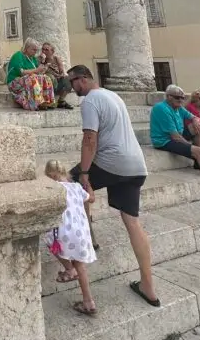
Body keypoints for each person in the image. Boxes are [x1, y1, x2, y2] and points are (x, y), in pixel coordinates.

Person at [65, 65, 160, 308]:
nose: (71, 87)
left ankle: (87, 237)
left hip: (111, 162)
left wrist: (84, 173)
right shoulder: (113, 95)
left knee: (72, 182)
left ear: (83, 79)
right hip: (136, 165)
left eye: (72, 82)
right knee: (132, 222)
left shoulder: (89, 101)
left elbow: (90, 139)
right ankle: (148, 285)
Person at [44, 159, 97, 315]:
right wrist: (88, 187)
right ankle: (88, 301)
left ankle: (69, 269)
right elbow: (91, 199)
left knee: (49, 242)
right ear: (64, 173)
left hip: (64, 233)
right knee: (80, 265)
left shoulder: (53, 190)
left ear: (50, 177)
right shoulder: (76, 187)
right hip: (81, 233)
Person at [6, 38, 55, 111]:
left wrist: (43, 67)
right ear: (27, 48)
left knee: (46, 78)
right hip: (14, 82)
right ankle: (36, 103)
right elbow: (21, 72)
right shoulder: (18, 55)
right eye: (34, 50)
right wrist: (36, 70)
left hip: (27, 80)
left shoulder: (33, 59)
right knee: (31, 78)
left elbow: (38, 73)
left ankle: (46, 102)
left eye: (36, 50)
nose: (35, 52)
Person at [40, 42, 73, 109]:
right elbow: (40, 72)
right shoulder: (39, 59)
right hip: (46, 83)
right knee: (50, 76)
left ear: (52, 51)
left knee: (68, 79)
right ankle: (49, 101)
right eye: (43, 49)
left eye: (46, 50)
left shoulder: (56, 59)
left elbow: (61, 71)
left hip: (57, 81)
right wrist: (43, 61)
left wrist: (61, 75)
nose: (44, 51)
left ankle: (61, 100)